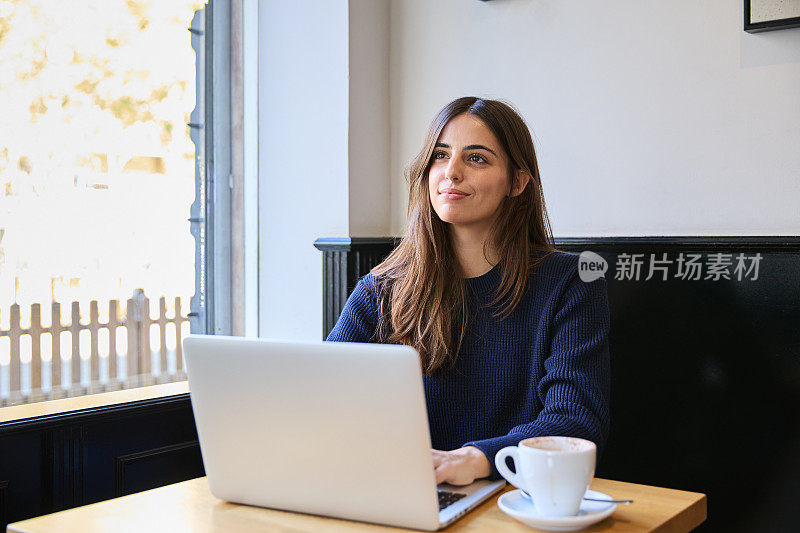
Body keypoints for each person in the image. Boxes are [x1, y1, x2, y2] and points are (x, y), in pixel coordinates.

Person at [326, 96, 610, 486]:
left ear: (517, 182)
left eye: (476, 158)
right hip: (401, 492)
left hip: (512, 496)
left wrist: (477, 459)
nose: (451, 172)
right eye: (440, 156)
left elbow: (573, 421)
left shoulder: (572, 282)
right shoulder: (380, 289)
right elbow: (325, 398)